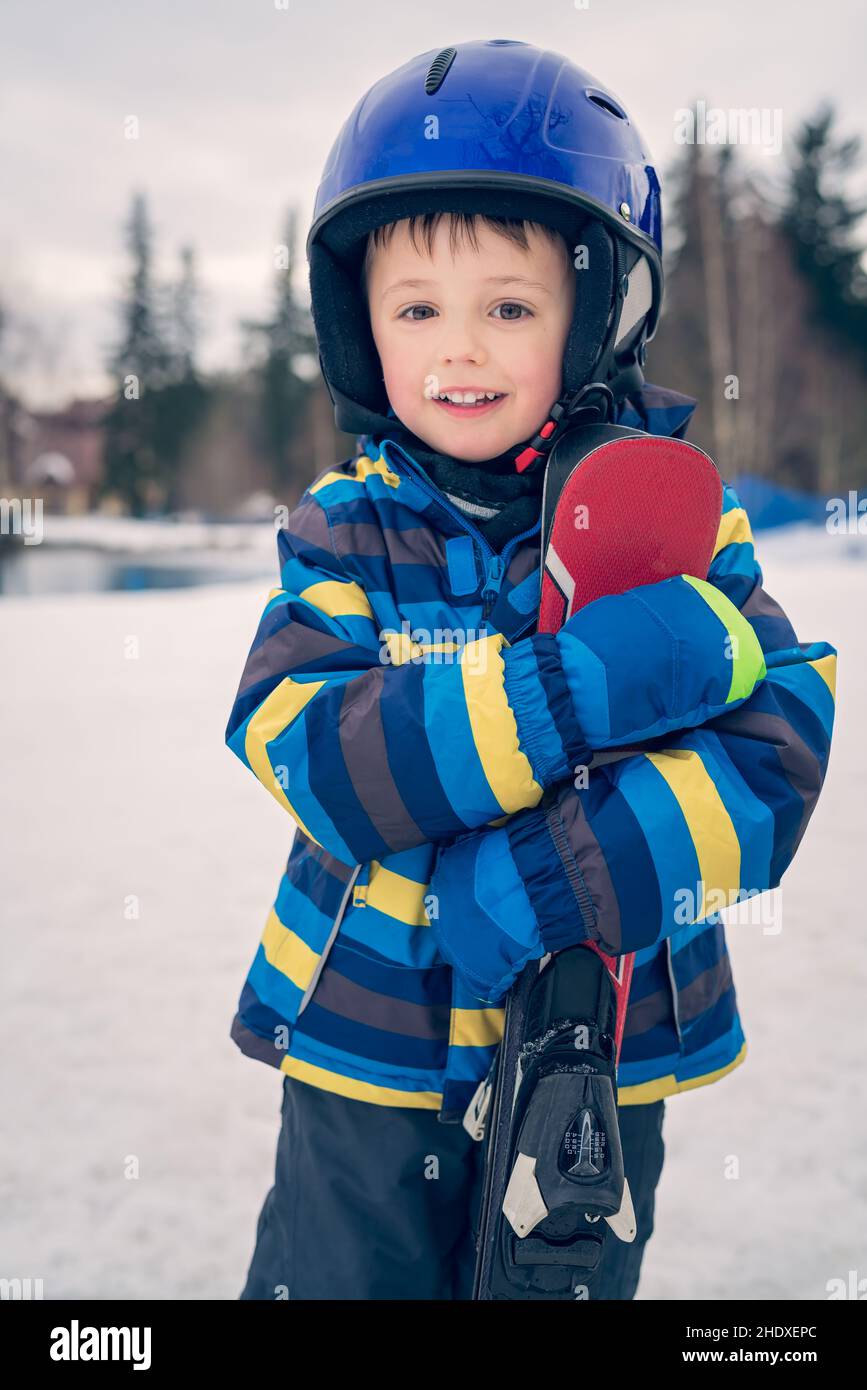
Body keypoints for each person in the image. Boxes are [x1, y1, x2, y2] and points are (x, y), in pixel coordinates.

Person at [225, 40, 837, 1300]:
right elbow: (312, 741)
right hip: (369, 1058)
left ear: (596, 310)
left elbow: (779, 741)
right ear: (359, 327)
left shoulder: (675, 519)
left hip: (598, 1058)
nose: (461, 350)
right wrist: (562, 694)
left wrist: (577, 877)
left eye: (509, 307)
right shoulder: (346, 527)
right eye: (415, 310)